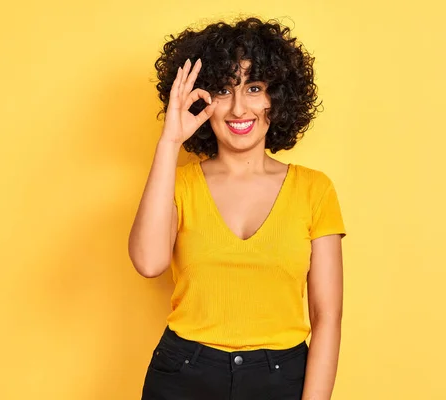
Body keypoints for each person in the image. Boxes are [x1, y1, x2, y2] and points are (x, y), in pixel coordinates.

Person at [128, 16, 347, 400]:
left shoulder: (315, 189)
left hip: (283, 377)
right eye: (224, 92)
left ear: (276, 98)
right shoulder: (177, 186)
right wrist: (169, 143)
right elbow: (149, 263)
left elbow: (327, 317)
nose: (238, 109)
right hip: (183, 372)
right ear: (203, 100)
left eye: (254, 88)